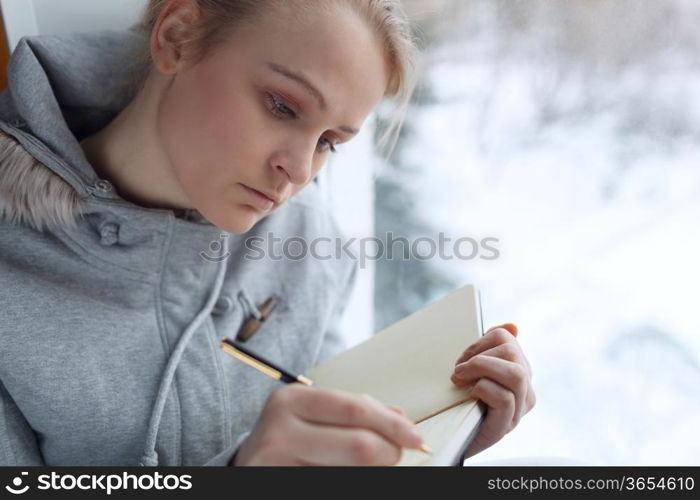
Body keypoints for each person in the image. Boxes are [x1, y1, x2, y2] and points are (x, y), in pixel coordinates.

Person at [0, 0, 535, 466]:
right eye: (283, 106)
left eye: (330, 141)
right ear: (177, 37)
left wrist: (434, 441)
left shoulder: (309, 240)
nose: (300, 171)